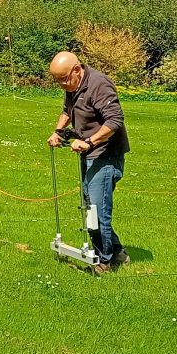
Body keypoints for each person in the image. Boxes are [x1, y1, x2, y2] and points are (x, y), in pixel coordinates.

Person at [47, 51, 130, 274]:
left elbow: (115, 120)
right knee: (90, 206)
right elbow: (68, 110)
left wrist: (89, 141)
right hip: (90, 154)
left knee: (96, 209)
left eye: (64, 79)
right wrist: (58, 132)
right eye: (57, 81)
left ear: (77, 69)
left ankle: (104, 261)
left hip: (106, 154)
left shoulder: (99, 85)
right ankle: (117, 251)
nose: (62, 84)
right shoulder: (73, 86)